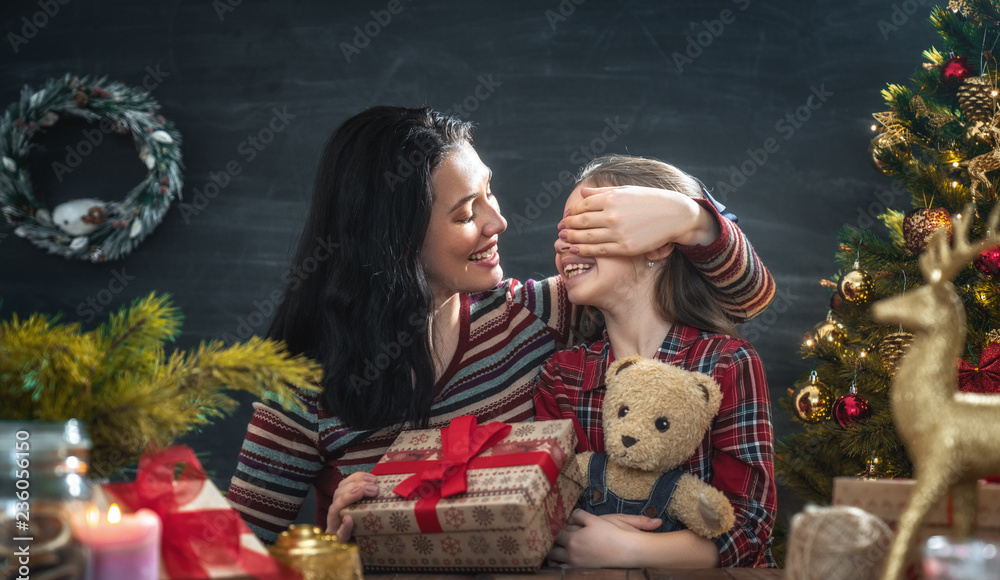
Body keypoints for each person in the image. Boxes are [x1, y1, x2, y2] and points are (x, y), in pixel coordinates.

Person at [225, 106, 775, 546]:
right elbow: (234, 555)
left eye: (490, 192)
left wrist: (695, 220)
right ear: (394, 236)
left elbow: (743, 299)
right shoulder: (303, 385)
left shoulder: (535, 313)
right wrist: (326, 549)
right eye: (466, 212)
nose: (498, 222)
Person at [534, 155, 775, 569]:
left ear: (660, 243)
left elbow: (749, 524)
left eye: (590, 225)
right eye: (563, 230)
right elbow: (546, 502)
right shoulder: (561, 375)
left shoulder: (727, 364)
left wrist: (634, 551)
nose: (564, 244)